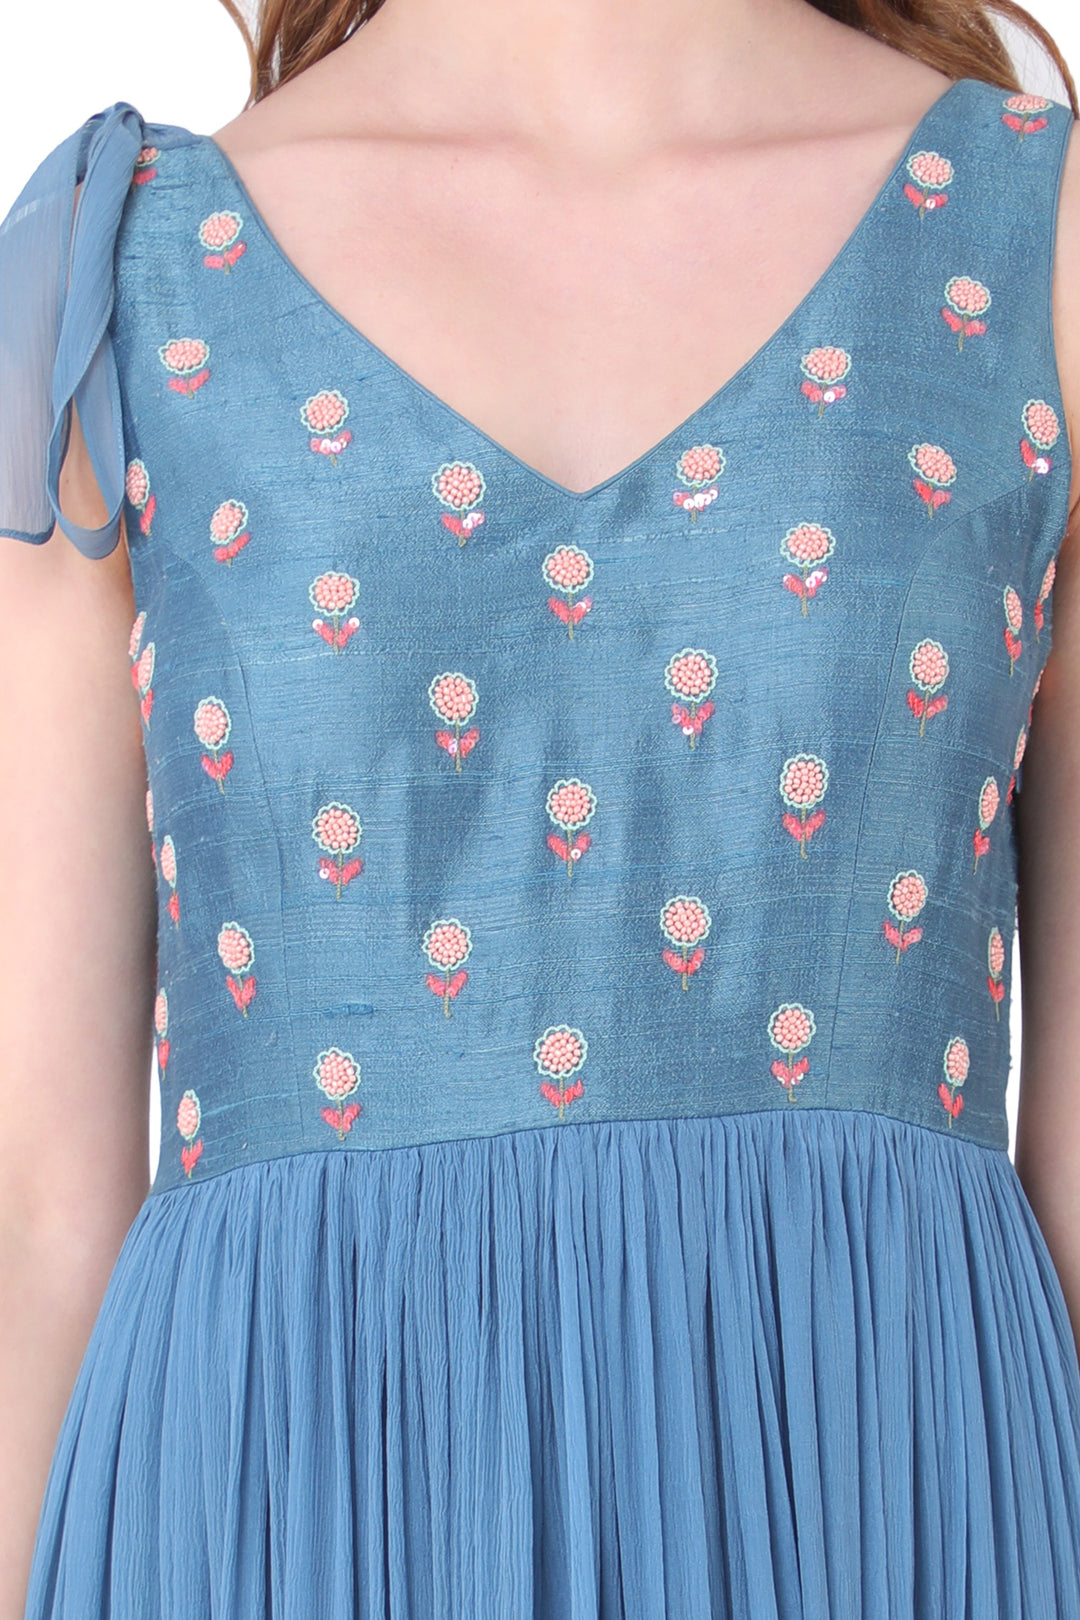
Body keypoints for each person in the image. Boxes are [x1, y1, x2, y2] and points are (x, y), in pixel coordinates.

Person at [3, 0, 1080, 1613]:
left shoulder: (1043, 238)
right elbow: (34, 1208)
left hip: (879, 1490)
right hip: (280, 1512)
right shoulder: (124, 274)